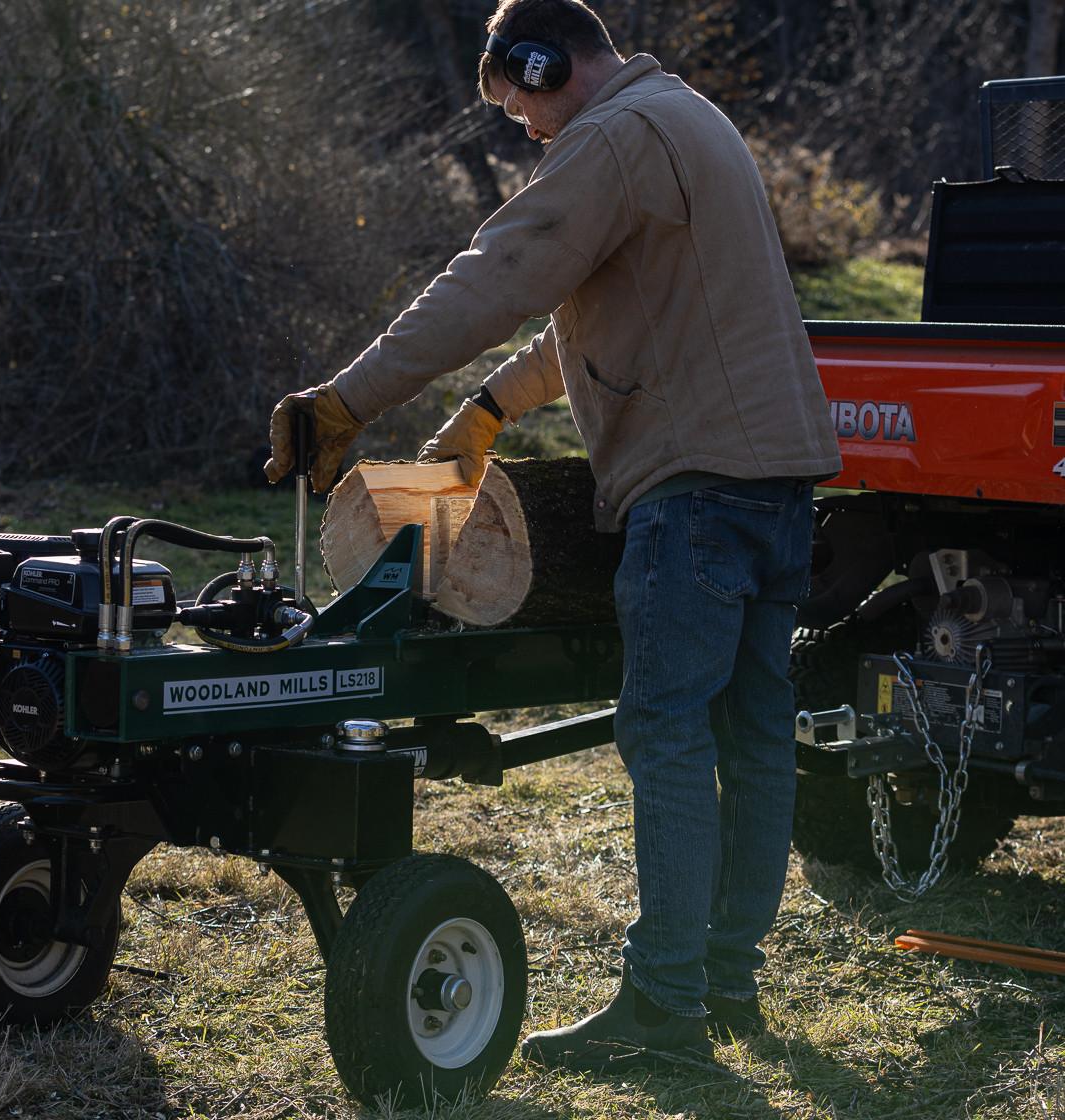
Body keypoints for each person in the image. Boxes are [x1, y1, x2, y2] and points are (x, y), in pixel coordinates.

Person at [264, 0, 841, 1072]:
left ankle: (665, 1005)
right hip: (775, 481)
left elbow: (500, 272)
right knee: (751, 740)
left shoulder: (610, 137)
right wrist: (490, 408)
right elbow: (595, 307)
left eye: (514, 103)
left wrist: (346, 400)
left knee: (664, 733)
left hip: (695, 491)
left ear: (541, 64)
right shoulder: (682, 117)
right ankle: (722, 980)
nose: (521, 130)